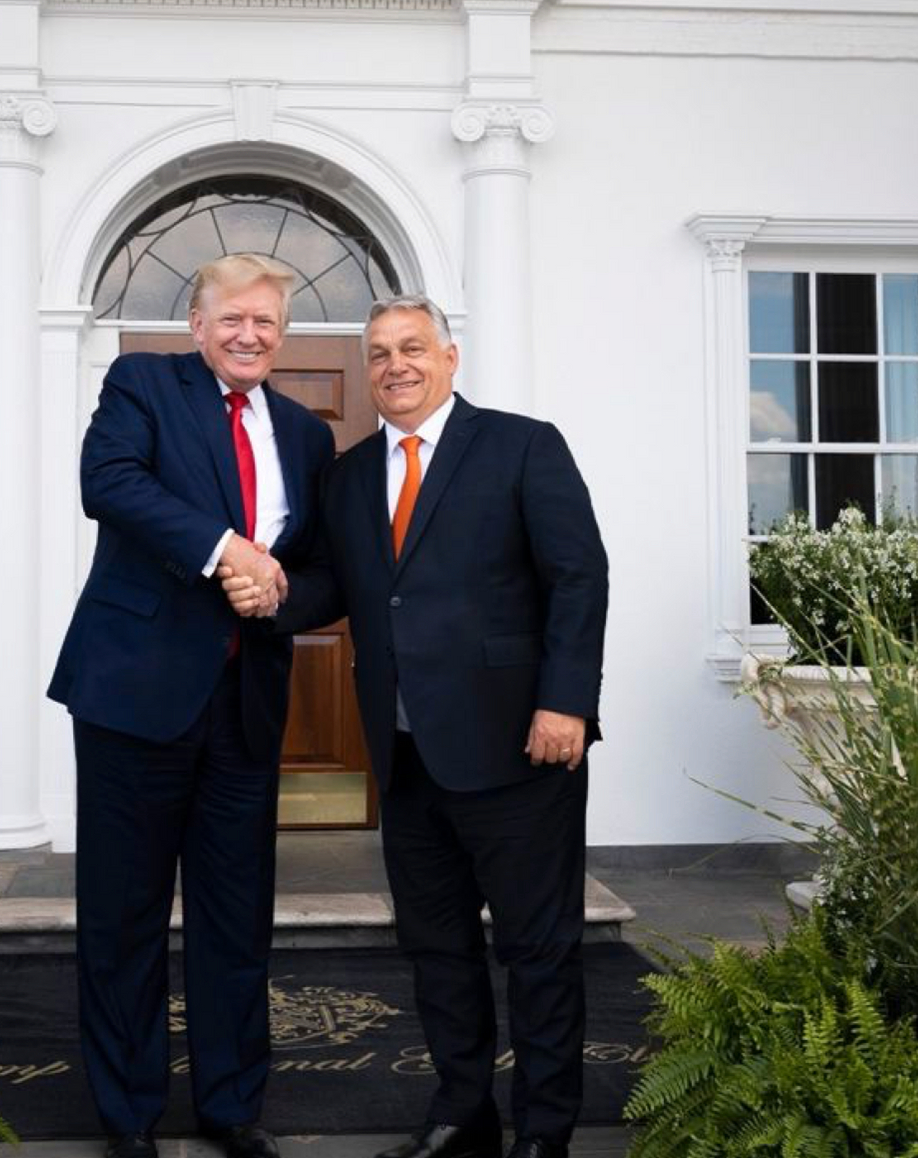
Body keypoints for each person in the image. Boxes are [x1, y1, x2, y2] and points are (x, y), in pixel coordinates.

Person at [224, 295, 608, 1158]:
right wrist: (270, 593)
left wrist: (566, 703)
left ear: (449, 357)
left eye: (412, 348)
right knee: (436, 949)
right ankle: (462, 1115)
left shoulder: (522, 445)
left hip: (519, 748)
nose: (395, 365)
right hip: (403, 756)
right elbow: (337, 586)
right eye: (379, 353)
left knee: (539, 952)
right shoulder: (352, 473)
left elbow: (579, 577)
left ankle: (544, 1133)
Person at [46, 254, 335, 1158]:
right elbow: (109, 483)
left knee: (236, 918)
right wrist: (226, 551)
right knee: (123, 917)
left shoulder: (304, 432)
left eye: (266, 322)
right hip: (133, 694)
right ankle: (129, 1115)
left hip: (245, 705)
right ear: (198, 324)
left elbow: (318, 568)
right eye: (232, 319)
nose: (250, 335)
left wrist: (275, 593)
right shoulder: (143, 384)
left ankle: (231, 1106)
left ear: (282, 335)